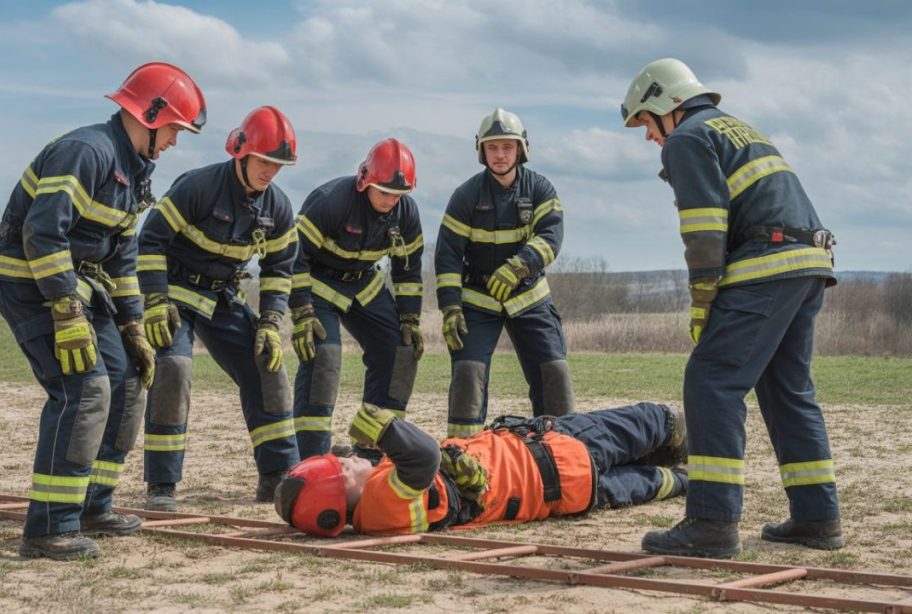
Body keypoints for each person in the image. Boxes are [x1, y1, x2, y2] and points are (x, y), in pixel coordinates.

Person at [621, 58, 842, 558]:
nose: (649, 138)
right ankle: (816, 517)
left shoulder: (688, 138)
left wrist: (702, 301)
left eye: (646, 124)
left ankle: (712, 522)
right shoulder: (736, 127)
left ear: (665, 105)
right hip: (808, 261)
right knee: (789, 391)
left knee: (711, 382)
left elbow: (703, 228)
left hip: (766, 264)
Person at [0, 62, 206, 560]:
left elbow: (123, 254)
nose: (175, 141)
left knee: (128, 382)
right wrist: (65, 310)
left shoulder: (134, 171)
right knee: (84, 389)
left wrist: (131, 322)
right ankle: (49, 528)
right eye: (174, 129)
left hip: (81, 287)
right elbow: (41, 233)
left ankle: (91, 506)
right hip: (30, 282)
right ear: (150, 116)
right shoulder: (86, 153)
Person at [136, 106, 301, 508]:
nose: (270, 173)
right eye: (264, 161)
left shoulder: (277, 207)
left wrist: (270, 321)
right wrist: (156, 299)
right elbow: (149, 241)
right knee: (174, 369)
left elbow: (279, 269)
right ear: (241, 152)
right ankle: (162, 486)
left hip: (222, 297)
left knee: (268, 365)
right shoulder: (198, 187)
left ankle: (278, 475)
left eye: (278, 165)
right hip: (174, 294)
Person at [274, 402, 687, 536]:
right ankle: (702, 442)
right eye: (343, 467)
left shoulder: (375, 511)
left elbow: (402, 469)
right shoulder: (382, 501)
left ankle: (692, 475)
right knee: (655, 421)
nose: (349, 460)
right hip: (560, 452)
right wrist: (379, 426)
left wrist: (367, 452)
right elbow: (422, 456)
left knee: (663, 482)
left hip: (570, 494)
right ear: (343, 494)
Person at [434, 108, 574, 439]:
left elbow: (551, 237)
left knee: (554, 373)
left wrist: (518, 266)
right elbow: (448, 254)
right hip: (479, 300)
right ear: (481, 151)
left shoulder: (540, 189)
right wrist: (451, 307)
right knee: (468, 374)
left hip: (529, 296)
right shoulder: (465, 196)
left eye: (507, 147)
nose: (500, 155)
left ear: (521, 149)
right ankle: (462, 452)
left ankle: (563, 450)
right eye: (493, 147)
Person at [289, 138, 424, 461]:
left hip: (363, 282)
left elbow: (408, 270)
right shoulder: (329, 202)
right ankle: (312, 459)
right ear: (365, 181)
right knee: (325, 356)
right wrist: (302, 311)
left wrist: (409, 318)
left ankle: (373, 450)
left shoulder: (406, 213)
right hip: (318, 285)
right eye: (384, 192)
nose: (391, 200)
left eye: (399, 194)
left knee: (400, 351)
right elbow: (293, 259)